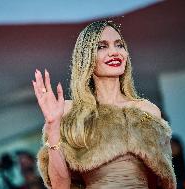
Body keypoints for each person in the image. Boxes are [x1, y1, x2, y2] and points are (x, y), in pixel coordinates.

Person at [32, 20, 176, 189]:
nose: (114, 52)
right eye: (102, 46)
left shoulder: (147, 111)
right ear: (86, 57)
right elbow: (60, 186)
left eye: (119, 45)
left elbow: (160, 181)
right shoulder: (71, 114)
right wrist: (53, 127)